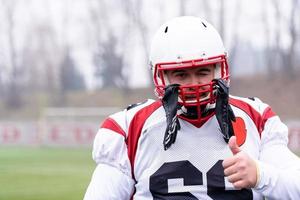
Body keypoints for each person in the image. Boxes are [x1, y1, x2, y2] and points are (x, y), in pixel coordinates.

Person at [84, 16, 300, 200]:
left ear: (218, 68)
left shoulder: (256, 118)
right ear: (162, 76)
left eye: (203, 71)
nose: (194, 83)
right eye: (181, 74)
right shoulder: (131, 128)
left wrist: (261, 175)